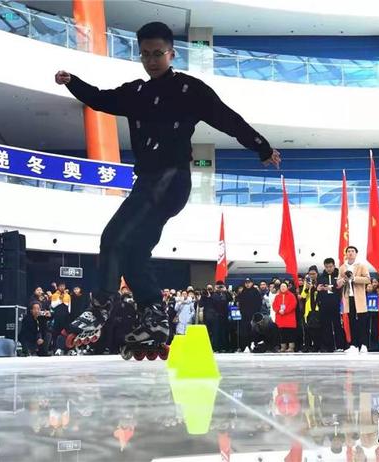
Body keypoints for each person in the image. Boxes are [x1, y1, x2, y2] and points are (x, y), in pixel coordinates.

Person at [55, 21, 281, 348]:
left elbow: (228, 119)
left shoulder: (190, 90)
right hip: (146, 181)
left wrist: (261, 147)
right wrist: (72, 82)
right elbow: (100, 99)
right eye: (145, 54)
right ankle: (154, 315)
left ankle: (101, 307)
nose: (151, 60)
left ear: (171, 53)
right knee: (133, 251)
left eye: (158, 53)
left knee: (113, 237)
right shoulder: (136, 93)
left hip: (171, 179)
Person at [337, 246, 371, 354]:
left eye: (352, 251)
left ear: (356, 253)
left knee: (362, 321)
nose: (350, 253)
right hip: (348, 297)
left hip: (359, 298)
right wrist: (344, 280)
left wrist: (354, 278)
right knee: (352, 322)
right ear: (346, 254)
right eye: (348, 251)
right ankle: (354, 344)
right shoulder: (343, 267)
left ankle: (364, 344)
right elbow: (338, 283)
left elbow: (368, 279)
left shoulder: (361, 266)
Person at [316, 258, 346, 352]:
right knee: (325, 326)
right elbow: (318, 289)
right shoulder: (321, 277)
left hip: (336, 304)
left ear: (334, 266)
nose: (328, 269)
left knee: (338, 325)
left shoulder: (339, 275)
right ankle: (327, 346)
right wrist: (318, 289)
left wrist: (330, 288)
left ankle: (341, 345)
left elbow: (340, 288)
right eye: (326, 267)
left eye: (330, 266)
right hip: (324, 304)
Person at [237, 278, 263, 352]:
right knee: (245, 331)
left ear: (252, 283)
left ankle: (254, 345)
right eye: (246, 283)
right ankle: (245, 346)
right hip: (244, 316)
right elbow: (240, 304)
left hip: (253, 315)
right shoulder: (243, 292)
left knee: (254, 331)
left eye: (249, 282)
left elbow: (259, 303)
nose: (248, 284)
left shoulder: (256, 292)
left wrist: (256, 313)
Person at [300, 266, 322, 352]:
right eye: (310, 274)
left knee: (317, 329)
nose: (312, 275)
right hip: (308, 309)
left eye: (313, 274)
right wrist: (306, 288)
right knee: (307, 329)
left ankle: (317, 346)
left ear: (317, 274)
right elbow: (303, 296)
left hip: (318, 308)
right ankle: (307, 346)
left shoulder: (320, 282)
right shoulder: (307, 283)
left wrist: (316, 288)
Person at [273, 282, 298, 352]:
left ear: (287, 287)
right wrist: (278, 310)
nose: (283, 288)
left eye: (284, 286)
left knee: (290, 333)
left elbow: (293, 305)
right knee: (282, 333)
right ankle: (283, 347)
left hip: (289, 317)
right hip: (280, 318)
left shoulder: (291, 295)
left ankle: (291, 347)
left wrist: (285, 311)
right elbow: (274, 305)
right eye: (281, 286)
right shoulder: (277, 296)